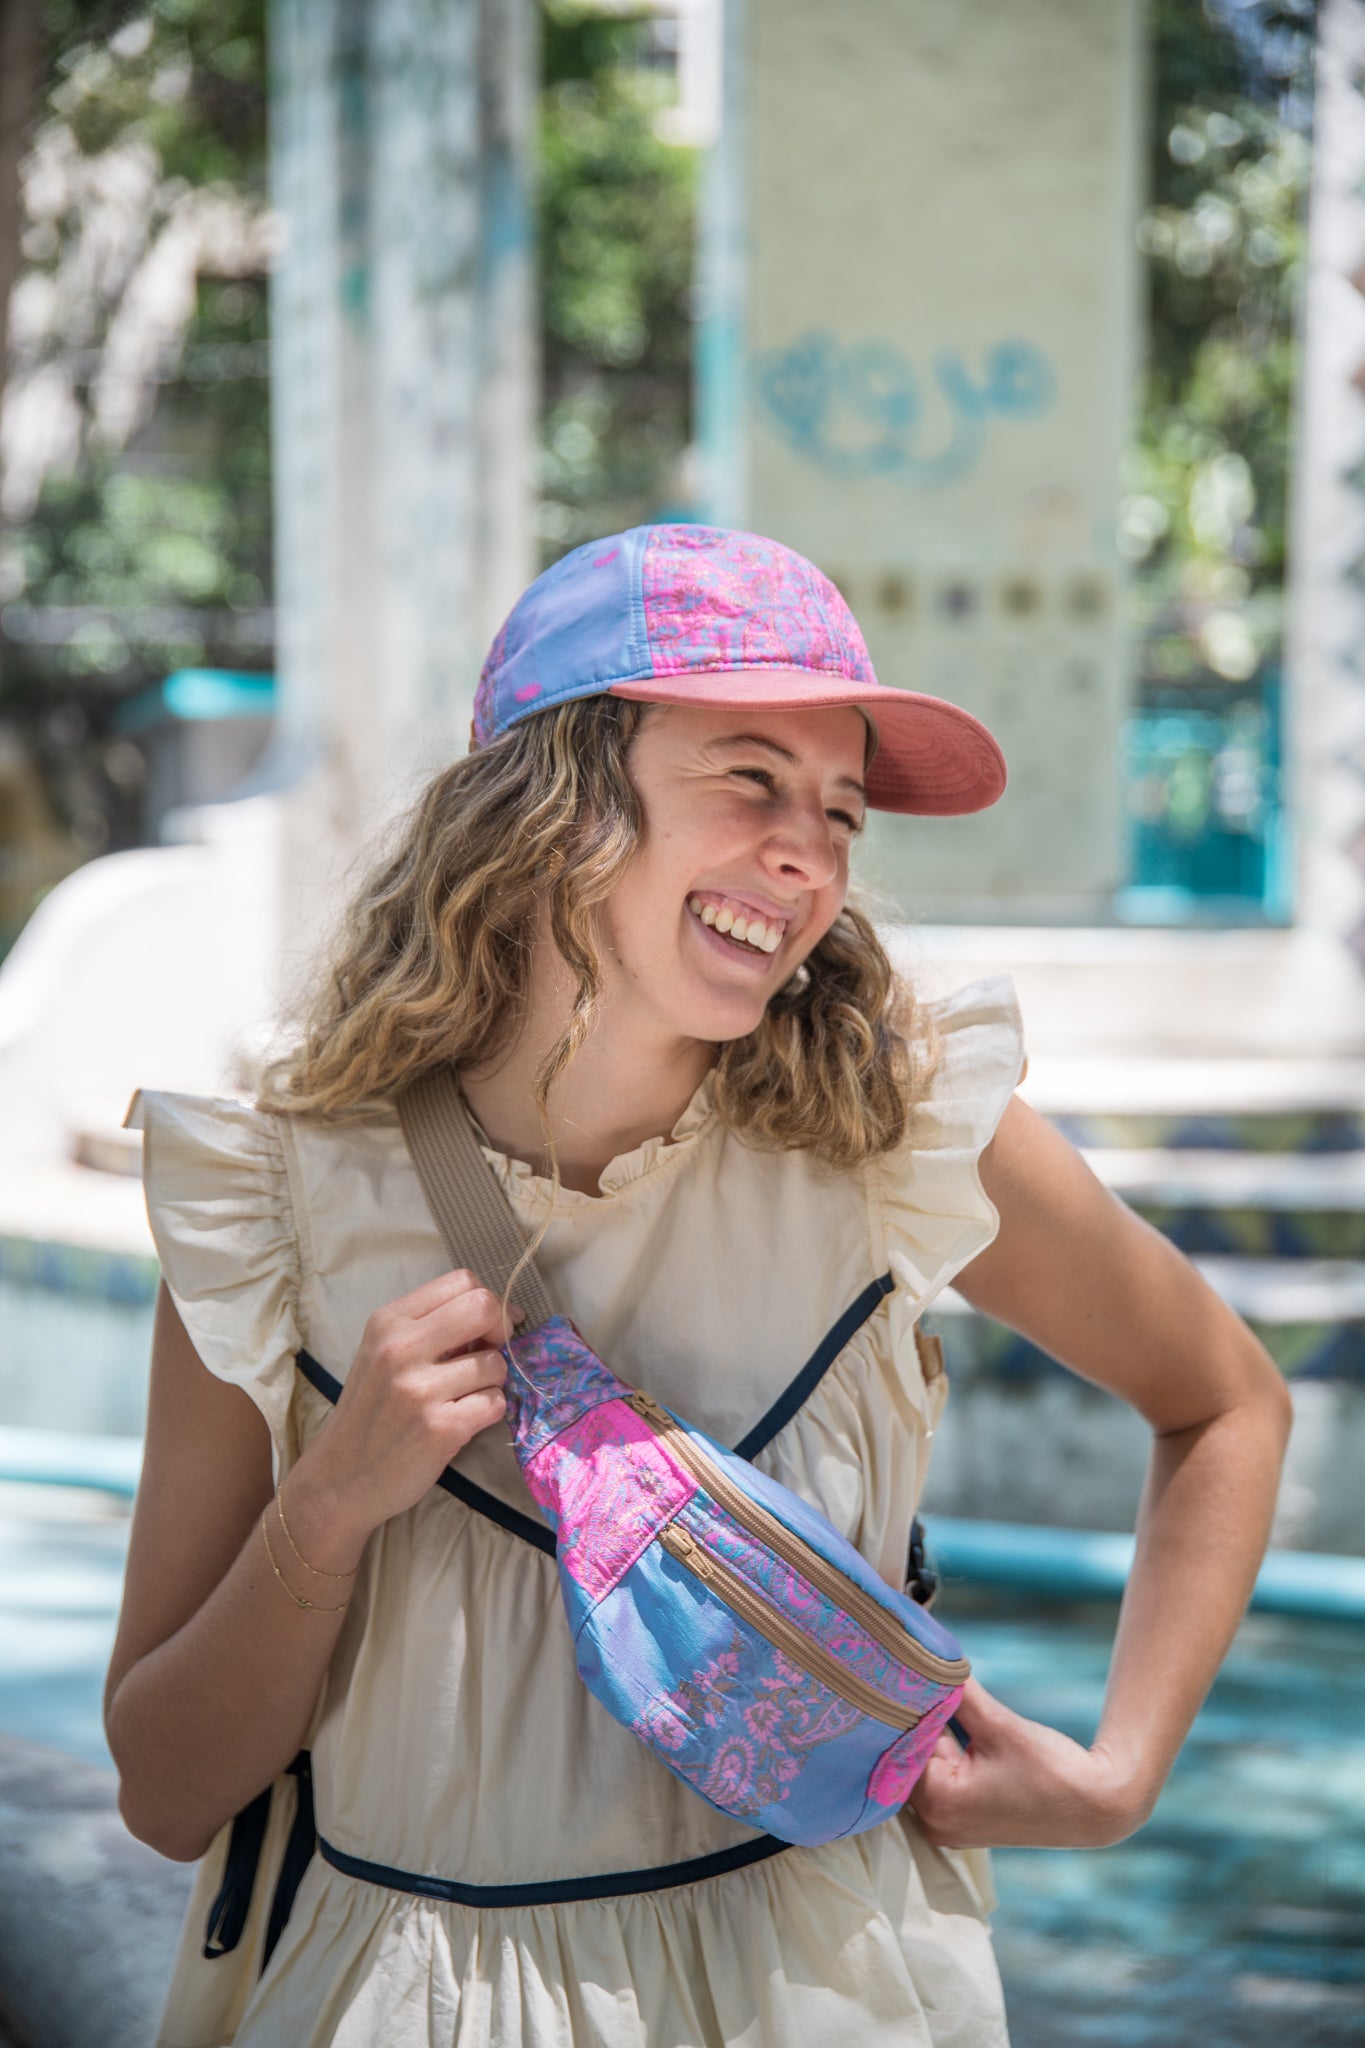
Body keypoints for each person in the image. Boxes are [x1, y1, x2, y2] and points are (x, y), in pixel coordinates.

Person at [106, 524, 1292, 2048]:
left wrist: (1119, 1773)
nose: (808, 853)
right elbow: (162, 1790)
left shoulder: (898, 1134)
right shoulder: (269, 1208)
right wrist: (330, 1504)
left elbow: (1224, 1401)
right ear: (554, 805)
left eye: (841, 811)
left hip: (833, 2000)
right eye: (747, 781)